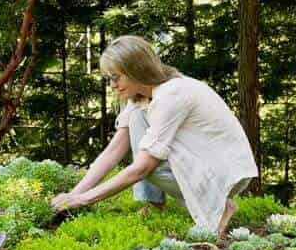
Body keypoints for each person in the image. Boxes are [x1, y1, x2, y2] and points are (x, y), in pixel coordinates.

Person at [51, 36, 258, 237]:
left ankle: (220, 205)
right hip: (206, 161)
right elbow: (113, 151)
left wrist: (85, 200)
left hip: (228, 173)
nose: (112, 85)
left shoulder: (171, 95)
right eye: (110, 78)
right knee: (137, 121)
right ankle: (154, 203)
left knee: (148, 165)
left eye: (116, 77)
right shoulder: (140, 97)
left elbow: (142, 168)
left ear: (136, 70)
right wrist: (73, 197)